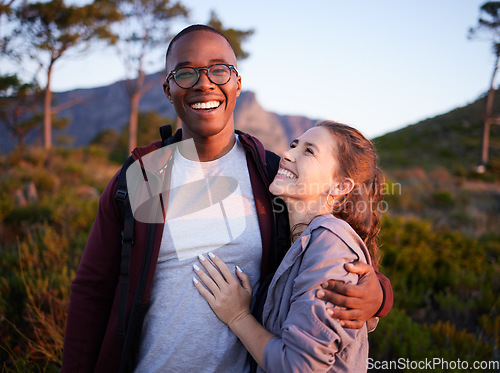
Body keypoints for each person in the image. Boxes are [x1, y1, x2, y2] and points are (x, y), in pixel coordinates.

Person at [62, 25, 392, 373]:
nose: (204, 83)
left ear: (236, 83)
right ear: (168, 89)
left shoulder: (272, 175)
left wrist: (380, 294)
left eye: (219, 69)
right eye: (186, 73)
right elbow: (92, 291)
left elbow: (326, 246)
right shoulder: (140, 178)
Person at [194, 121, 383, 372]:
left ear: (340, 186)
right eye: (294, 145)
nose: (286, 153)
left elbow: (298, 366)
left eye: (309, 151)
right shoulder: (302, 238)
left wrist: (238, 317)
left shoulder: (331, 243)